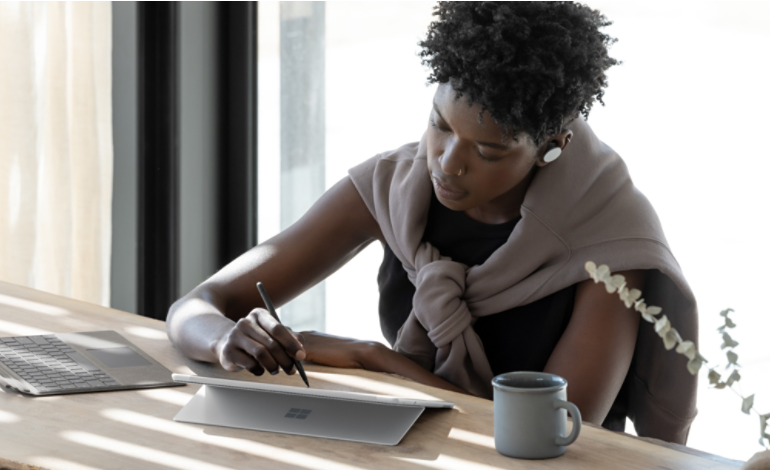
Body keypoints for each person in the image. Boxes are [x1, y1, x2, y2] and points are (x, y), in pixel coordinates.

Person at [167, 1, 698, 444]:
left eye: (488, 151)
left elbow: (551, 430)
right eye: (439, 126)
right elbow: (195, 307)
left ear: (551, 147)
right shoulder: (396, 186)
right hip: (418, 448)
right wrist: (225, 342)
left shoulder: (607, 235)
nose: (447, 162)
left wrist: (371, 357)